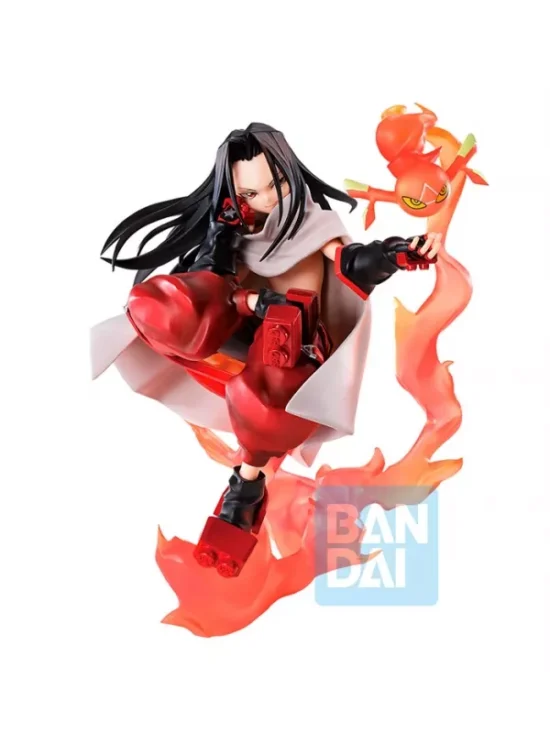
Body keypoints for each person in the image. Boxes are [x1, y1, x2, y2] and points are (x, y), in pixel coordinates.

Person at [91, 122, 441, 576]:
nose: (269, 200)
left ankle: (246, 488)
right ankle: (168, 325)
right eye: (252, 194)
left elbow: (351, 262)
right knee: (181, 304)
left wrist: (396, 253)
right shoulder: (235, 232)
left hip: (292, 338)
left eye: (275, 185)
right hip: (241, 319)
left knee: (268, 397)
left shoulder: (313, 225)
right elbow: (214, 282)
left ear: (290, 172)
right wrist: (225, 241)